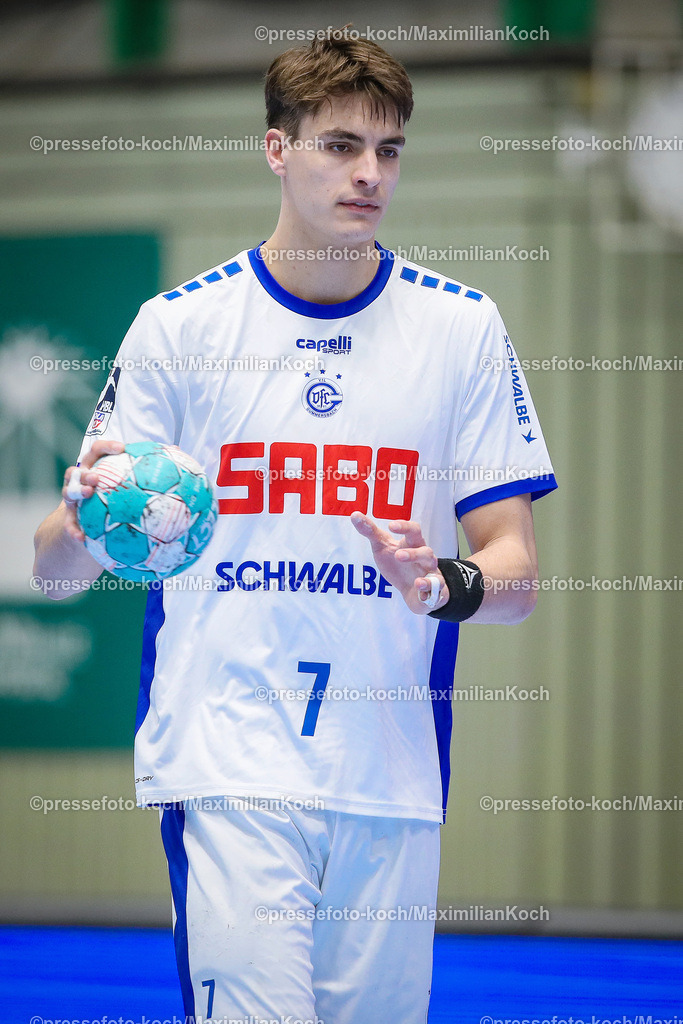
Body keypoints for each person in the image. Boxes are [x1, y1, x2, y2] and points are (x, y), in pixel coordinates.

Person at [34, 32, 557, 1024]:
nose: (368, 173)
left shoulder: (461, 329)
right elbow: (53, 570)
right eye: (339, 145)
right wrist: (82, 518)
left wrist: (437, 583)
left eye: (388, 150)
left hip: (390, 776)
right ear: (277, 150)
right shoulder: (178, 329)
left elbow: (517, 575)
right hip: (228, 764)